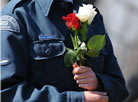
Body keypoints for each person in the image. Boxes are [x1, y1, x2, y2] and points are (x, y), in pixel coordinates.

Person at [0, 0, 129, 102]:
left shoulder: (90, 14)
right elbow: (6, 93)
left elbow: (120, 88)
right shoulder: (17, 15)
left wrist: (98, 82)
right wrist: (77, 99)